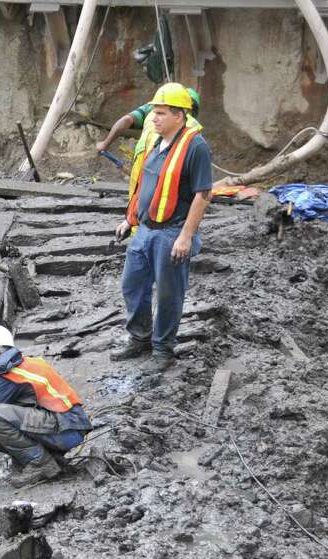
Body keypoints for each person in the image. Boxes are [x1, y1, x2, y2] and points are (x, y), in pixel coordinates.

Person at [110, 82, 212, 374]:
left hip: (172, 232)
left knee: (168, 293)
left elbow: (202, 194)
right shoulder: (157, 140)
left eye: (162, 113)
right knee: (132, 285)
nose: (153, 118)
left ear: (180, 115)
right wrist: (130, 220)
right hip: (145, 229)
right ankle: (140, 338)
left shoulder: (195, 146)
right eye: (154, 112)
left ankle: (163, 349)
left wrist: (186, 236)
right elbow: (147, 184)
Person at [0, 325, 92, 490]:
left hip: (67, 431)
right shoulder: (23, 364)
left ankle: (42, 463)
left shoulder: (7, 375)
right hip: (70, 426)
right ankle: (49, 458)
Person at [96, 83, 202, 203]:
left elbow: (126, 120)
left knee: (138, 202)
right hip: (165, 160)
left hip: (144, 156)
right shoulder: (194, 126)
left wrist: (105, 144)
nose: (156, 118)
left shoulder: (151, 109)